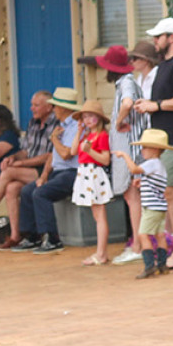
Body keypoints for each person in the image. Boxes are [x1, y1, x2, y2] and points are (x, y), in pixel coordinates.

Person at [133, 17, 173, 269]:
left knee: (172, 191)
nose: (154, 42)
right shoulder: (167, 65)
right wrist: (149, 107)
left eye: (158, 37)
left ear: (172, 37)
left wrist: (157, 105)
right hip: (167, 137)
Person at [0, 91, 58, 247]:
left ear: (49, 107)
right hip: (31, 171)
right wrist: (13, 158)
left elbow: (50, 156)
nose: (32, 108)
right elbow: (26, 151)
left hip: (48, 171)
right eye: (32, 104)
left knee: (8, 172)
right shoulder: (33, 123)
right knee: (11, 188)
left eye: (36, 105)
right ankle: (16, 235)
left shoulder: (56, 125)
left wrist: (20, 164)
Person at [12, 87, 81, 254]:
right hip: (58, 172)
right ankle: (32, 235)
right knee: (28, 190)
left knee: (41, 193)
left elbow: (66, 154)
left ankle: (52, 237)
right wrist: (43, 175)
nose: (54, 110)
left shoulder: (76, 126)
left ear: (64, 108)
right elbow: (53, 156)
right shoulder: (61, 125)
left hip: (74, 172)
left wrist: (54, 139)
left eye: (55, 106)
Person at [104, 41, 155, 264]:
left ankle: (137, 243)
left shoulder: (126, 83)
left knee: (132, 194)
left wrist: (118, 121)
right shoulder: (128, 82)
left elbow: (127, 104)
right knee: (132, 195)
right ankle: (140, 240)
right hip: (127, 146)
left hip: (131, 146)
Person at [114, 128, 173, 279]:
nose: (142, 150)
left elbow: (134, 169)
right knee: (160, 235)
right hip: (159, 207)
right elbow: (156, 184)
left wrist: (125, 156)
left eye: (145, 147)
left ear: (154, 149)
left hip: (151, 207)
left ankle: (149, 266)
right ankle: (162, 264)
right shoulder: (159, 165)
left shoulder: (151, 163)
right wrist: (143, 183)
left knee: (142, 235)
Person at [72, 99, 114, 265]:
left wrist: (90, 152)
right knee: (97, 215)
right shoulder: (87, 135)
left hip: (94, 173)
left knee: (100, 214)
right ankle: (100, 252)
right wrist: (78, 132)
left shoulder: (102, 136)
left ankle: (101, 253)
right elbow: (73, 150)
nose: (87, 120)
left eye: (90, 116)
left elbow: (105, 159)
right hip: (84, 172)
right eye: (84, 117)